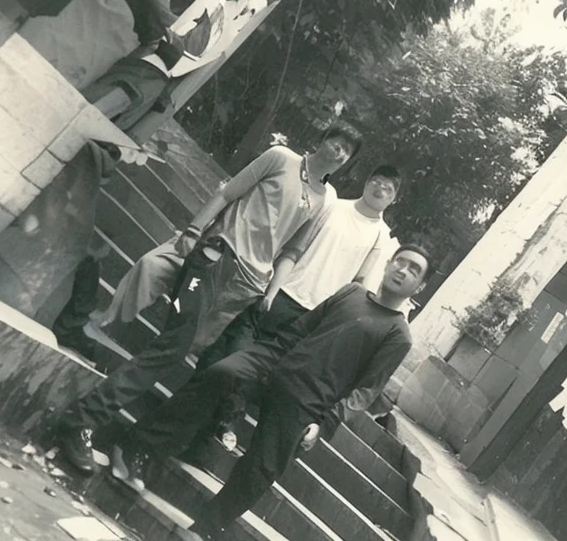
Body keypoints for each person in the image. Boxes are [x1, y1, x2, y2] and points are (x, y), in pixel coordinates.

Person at [55, 124, 362, 479]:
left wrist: (271, 291)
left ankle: (109, 431)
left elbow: (292, 249)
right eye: (336, 142)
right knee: (171, 349)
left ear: (347, 162)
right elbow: (228, 192)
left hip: (248, 285)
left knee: (178, 353)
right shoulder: (281, 158)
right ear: (322, 140)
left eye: (347, 151)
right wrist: (193, 230)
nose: (338, 151)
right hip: (217, 258)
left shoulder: (325, 199)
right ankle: (82, 419)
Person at [118, 244, 431, 541]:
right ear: (389, 263)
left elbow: (365, 391)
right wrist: (258, 358)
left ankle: (207, 527)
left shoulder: (398, 334)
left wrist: (325, 423)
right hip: (276, 366)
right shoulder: (352, 292)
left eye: (414, 270)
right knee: (220, 373)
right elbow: (301, 329)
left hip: (308, 402)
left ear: (418, 287)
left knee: (262, 466)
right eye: (400, 261)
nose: (403, 270)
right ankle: (139, 446)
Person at [197, 164, 402, 369]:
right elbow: (295, 249)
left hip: (313, 315)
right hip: (283, 292)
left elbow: (358, 284)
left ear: (393, 199)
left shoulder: (381, 236)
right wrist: (271, 292)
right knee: (225, 349)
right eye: (377, 181)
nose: (380, 188)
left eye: (388, 188)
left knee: (259, 368)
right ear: (366, 183)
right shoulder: (333, 206)